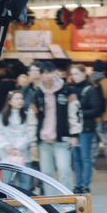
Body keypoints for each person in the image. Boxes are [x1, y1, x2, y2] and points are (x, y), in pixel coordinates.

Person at [33, 62, 75, 191]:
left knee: (64, 170)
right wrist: (33, 142)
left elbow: (74, 113)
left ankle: (68, 201)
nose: (49, 76)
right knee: (47, 174)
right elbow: (32, 119)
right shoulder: (38, 93)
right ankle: (50, 201)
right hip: (43, 140)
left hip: (62, 138)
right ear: (41, 75)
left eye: (51, 72)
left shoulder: (67, 90)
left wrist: (74, 134)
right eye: (45, 73)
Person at [68, 64, 102, 194]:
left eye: (77, 73)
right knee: (76, 158)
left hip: (86, 128)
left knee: (85, 157)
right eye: (73, 74)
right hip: (74, 128)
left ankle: (85, 185)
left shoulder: (90, 90)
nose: (74, 77)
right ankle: (78, 184)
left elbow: (96, 109)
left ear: (83, 74)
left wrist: (79, 113)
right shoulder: (71, 89)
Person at [0, 89, 36, 173]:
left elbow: (30, 133)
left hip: (24, 155)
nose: (20, 101)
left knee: (25, 183)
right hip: (6, 156)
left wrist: (17, 147)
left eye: (21, 98)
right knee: (7, 183)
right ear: (9, 101)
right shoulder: (0, 117)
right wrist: (7, 147)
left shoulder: (28, 116)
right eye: (16, 99)